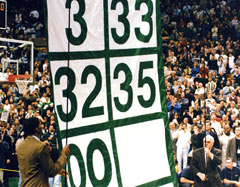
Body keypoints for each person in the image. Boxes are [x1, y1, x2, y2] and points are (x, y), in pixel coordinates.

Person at [16, 117, 70, 186]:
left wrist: (58, 171)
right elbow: (51, 171)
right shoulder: (40, 146)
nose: (42, 126)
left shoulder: (20, 146)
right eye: (40, 124)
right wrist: (63, 155)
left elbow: (32, 167)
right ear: (36, 128)